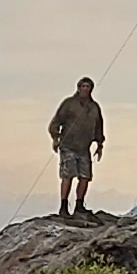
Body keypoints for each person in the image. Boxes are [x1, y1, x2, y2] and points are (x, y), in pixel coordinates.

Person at [48, 76, 105, 215]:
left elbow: (99, 127)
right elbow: (56, 122)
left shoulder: (94, 107)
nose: (85, 89)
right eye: (83, 86)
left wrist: (99, 144)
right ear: (78, 88)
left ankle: (79, 205)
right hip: (68, 145)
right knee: (68, 175)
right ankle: (63, 206)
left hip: (84, 147)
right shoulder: (69, 104)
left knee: (85, 176)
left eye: (88, 86)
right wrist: (55, 138)